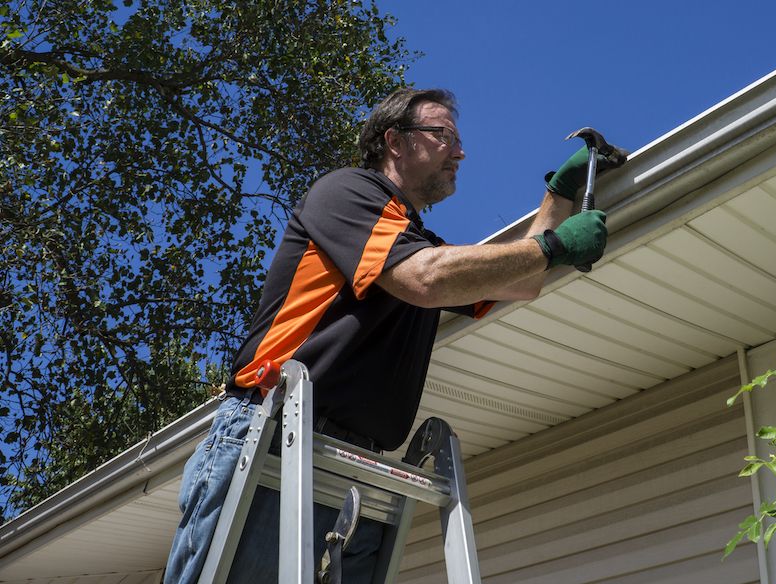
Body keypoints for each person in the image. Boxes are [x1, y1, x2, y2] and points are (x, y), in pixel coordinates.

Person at [164, 87, 618, 583]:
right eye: (443, 135)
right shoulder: (346, 192)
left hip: (349, 464)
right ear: (394, 142)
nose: (460, 152)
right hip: (273, 435)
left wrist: (558, 195)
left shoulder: (415, 242)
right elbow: (426, 278)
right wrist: (555, 246)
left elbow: (521, 280)